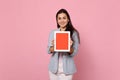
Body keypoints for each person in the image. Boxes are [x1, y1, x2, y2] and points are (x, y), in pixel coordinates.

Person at [47, 8, 80, 80]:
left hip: (67, 70)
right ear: (57, 20)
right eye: (59, 18)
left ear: (68, 19)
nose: (62, 20)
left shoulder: (73, 33)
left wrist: (69, 46)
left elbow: (74, 52)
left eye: (64, 18)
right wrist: (54, 46)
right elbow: (48, 50)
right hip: (53, 69)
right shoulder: (53, 33)